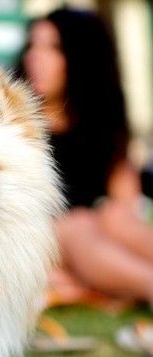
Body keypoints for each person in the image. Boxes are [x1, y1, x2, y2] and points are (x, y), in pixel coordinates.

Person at [19, 7, 153, 307]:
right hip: (35, 246)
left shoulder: (100, 126)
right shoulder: (15, 126)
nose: (35, 57)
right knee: (75, 223)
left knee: (114, 216)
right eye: (32, 45)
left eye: (53, 48)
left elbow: (127, 204)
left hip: (91, 247)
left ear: (81, 57)